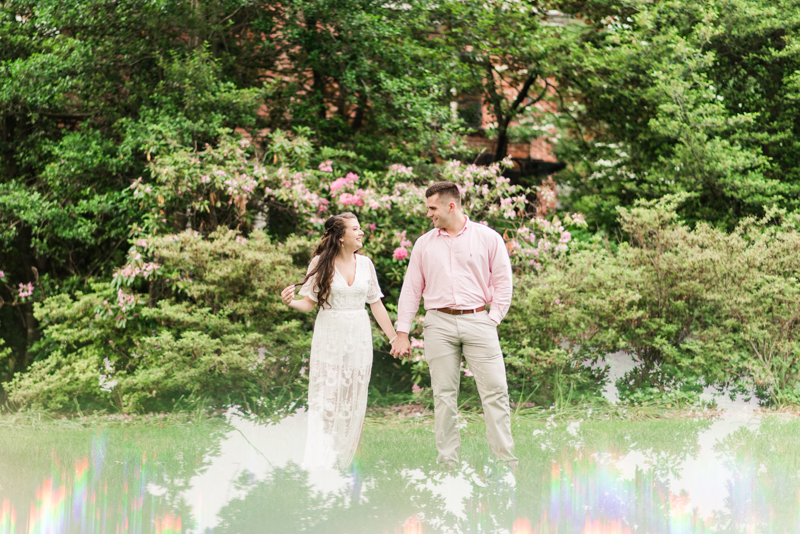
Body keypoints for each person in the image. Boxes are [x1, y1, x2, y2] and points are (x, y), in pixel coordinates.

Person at [390, 182, 517, 469]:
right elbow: (411, 289)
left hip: (479, 320)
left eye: (432, 208)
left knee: (495, 392)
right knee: (444, 396)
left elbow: (503, 281)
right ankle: (447, 463)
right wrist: (402, 332)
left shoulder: (488, 238)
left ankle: (505, 462)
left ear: (451, 206)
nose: (428, 214)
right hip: (439, 324)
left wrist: (492, 319)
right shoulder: (424, 244)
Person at [280, 212, 398, 469]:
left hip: (358, 337)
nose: (361, 233)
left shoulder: (366, 264)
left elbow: (376, 304)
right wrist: (291, 303)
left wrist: (394, 338)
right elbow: (309, 304)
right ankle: (320, 460)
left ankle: (343, 462)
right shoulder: (320, 263)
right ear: (341, 236)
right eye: (355, 229)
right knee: (327, 398)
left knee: (353, 399)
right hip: (330, 336)